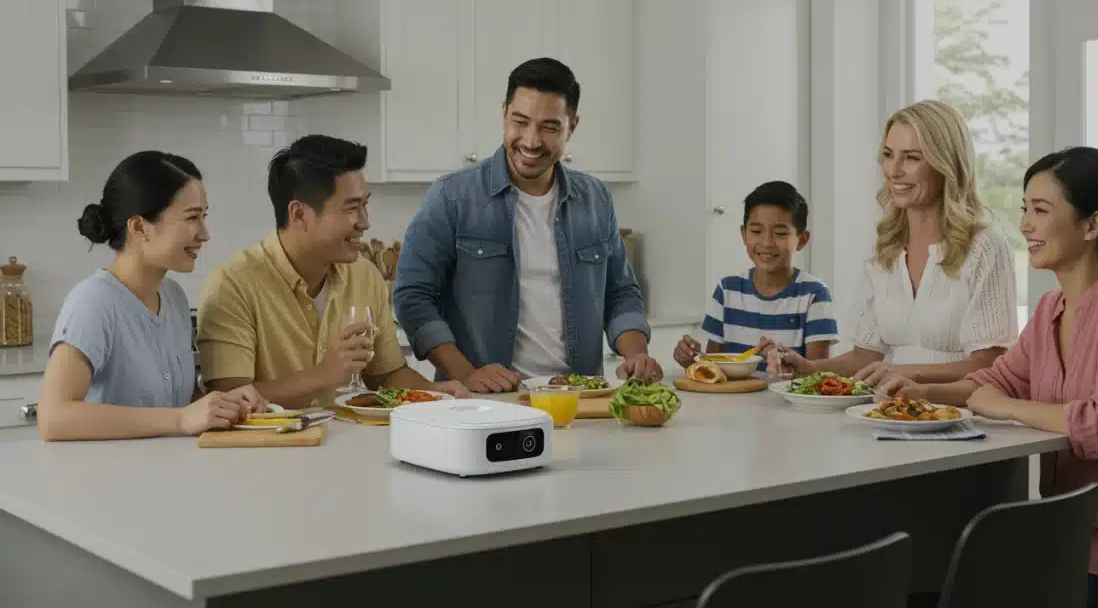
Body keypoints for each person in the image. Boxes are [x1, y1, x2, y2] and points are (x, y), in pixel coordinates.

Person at [894, 147, 1098, 607]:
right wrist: (923, 393)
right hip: (1070, 535)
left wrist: (1006, 407)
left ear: (1092, 225)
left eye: (1040, 210)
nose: (1025, 225)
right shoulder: (1049, 310)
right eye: (1024, 209)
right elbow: (998, 381)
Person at [394, 57, 660, 392]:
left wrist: (636, 354)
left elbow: (620, 293)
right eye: (520, 121)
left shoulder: (596, 199)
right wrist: (465, 373)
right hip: (485, 400)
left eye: (550, 127)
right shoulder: (451, 197)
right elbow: (412, 297)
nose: (531, 141)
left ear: (572, 126)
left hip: (578, 397)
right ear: (504, 114)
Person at [196, 135, 468, 409]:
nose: (365, 221)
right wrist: (325, 374)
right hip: (266, 449)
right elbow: (230, 398)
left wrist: (432, 393)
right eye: (351, 208)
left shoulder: (364, 275)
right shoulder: (233, 283)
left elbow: (386, 375)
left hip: (346, 443)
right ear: (299, 214)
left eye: (365, 205)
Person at [772, 100, 1018, 391]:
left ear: (946, 164)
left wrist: (905, 372)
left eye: (912, 157)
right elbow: (867, 356)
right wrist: (811, 367)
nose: (893, 170)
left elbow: (990, 364)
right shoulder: (884, 245)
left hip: (961, 415)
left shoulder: (985, 245)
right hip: (888, 412)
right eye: (888, 155)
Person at [38, 152, 267, 441]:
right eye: (192, 218)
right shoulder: (93, 303)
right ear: (139, 227)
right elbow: (53, 418)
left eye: (204, 217)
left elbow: (175, 404)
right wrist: (182, 419)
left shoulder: (173, 297)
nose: (205, 233)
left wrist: (226, 403)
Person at [674, 181, 837, 371]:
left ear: (802, 240)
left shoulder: (814, 294)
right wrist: (690, 361)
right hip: (734, 399)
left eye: (780, 233)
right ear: (744, 234)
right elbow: (714, 368)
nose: (766, 242)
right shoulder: (727, 290)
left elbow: (817, 375)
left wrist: (784, 363)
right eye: (756, 231)